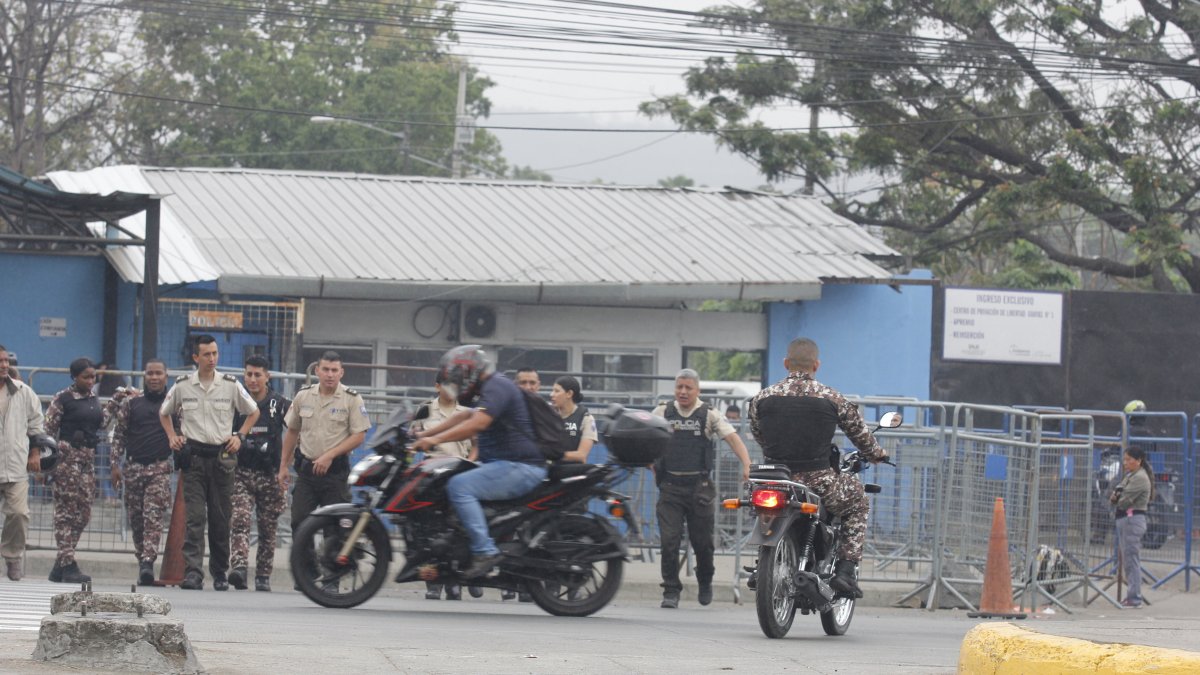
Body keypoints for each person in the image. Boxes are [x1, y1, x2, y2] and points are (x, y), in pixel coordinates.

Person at [748, 337, 889, 600]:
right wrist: (878, 454)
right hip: (818, 482)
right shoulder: (832, 398)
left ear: (786, 363)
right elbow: (861, 436)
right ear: (817, 365)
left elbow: (759, 434)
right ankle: (846, 570)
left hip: (775, 480)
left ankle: (761, 566)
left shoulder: (762, 398)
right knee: (858, 500)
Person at [410, 345, 548, 580]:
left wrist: (435, 439)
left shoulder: (498, 386)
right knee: (447, 480)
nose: (456, 382)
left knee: (460, 486)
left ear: (468, 372)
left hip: (520, 466)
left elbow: (478, 424)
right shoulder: (489, 389)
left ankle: (485, 551)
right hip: (504, 464)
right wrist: (423, 435)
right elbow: (463, 416)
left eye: (457, 376)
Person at [160, 334, 260, 591]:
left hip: (221, 458)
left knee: (220, 517)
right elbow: (164, 412)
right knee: (194, 518)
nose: (212, 359)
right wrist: (173, 436)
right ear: (195, 357)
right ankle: (193, 572)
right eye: (207, 354)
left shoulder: (229, 384)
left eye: (215, 353)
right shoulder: (183, 385)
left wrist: (240, 436)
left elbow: (253, 411)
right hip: (193, 458)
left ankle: (219, 572)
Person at [652, 368, 752, 609]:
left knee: (703, 543)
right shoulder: (662, 412)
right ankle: (670, 590)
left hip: (699, 489)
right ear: (675, 389)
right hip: (670, 488)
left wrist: (747, 465)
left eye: (688, 388)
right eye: (679, 387)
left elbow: (734, 439)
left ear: (697, 390)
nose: (683, 392)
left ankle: (705, 579)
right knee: (669, 540)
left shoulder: (709, 414)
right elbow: (645, 436)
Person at [279, 351, 370, 543]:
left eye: (334, 370)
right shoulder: (303, 396)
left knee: (335, 529)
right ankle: (307, 570)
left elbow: (359, 435)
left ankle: (330, 570)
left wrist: (330, 455)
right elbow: (292, 431)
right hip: (307, 473)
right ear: (317, 371)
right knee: (299, 523)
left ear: (341, 373)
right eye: (326, 369)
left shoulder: (351, 399)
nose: (330, 374)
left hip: (335, 474)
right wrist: (283, 466)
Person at [45, 357, 120, 583]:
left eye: (93, 377)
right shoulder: (63, 399)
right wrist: (46, 464)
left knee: (84, 512)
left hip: (87, 460)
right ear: (74, 377)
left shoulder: (93, 399)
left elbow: (101, 423)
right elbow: (47, 431)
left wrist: (115, 402)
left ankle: (60, 564)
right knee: (66, 512)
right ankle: (68, 563)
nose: (90, 381)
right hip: (67, 460)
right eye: (85, 377)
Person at [109, 359, 174, 585]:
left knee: (153, 516)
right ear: (144, 377)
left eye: (158, 373)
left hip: (159, 468)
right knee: (136, 519)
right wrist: (114, 464)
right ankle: (142, 561)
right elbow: (119, 435)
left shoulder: (172, 404)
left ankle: (148, 562)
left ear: (166, 376)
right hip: (134, 468)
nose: (154, 378)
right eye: (150, 374)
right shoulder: (131, 403)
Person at [412, 375, 477, 600]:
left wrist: (471, 466)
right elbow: (413, 441)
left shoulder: (467, 411)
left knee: (459, 529)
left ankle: (455, 580)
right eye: (447, 385)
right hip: (432, 475)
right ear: (437, 386)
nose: (452, 389)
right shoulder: (425, 410)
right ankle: (433, 582)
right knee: (431, 529)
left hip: (461, 474)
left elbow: (476, 446)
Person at [229, 356, 290, 592]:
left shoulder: (279, 404)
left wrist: (286, 464)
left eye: (257, 375)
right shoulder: (237, 403)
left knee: (268, 526)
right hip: (242, 472)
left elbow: (295, 429)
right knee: (240, 519)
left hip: (269, 473)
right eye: (248, 375)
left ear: (267, 377)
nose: (252, 380)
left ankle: (263, 575)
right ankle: (240, 568)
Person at [0, 345, 45, 581]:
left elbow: (36, 425)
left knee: (18, 513)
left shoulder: (22, 392)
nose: (4, 365)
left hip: (15, 466)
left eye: (6, 360)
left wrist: (34, 453)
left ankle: (12, 556)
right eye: (0, 361)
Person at [1112, 446, 1153, 608]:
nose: (1125, 462)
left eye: (1129, 459)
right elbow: (1115, 494)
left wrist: (1118, 496)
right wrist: (1117, 495)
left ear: (1138, 461)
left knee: (1131, 560)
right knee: (1128, 559)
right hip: (1126, 520)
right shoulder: (1131, 475)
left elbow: (1122, 500)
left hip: (1132, 520)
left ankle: (1135, 598)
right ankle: (1133, 596)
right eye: (1125, 459)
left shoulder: (1140, 478)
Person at [550, 376, 597, 463]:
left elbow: (581, 455)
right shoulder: (547, 415)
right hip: (549, 470)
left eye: (556, 391)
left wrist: (551, 455)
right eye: (552, 391)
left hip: (573, 472)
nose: (552, 394)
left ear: (569, 394)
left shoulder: (586, 418)